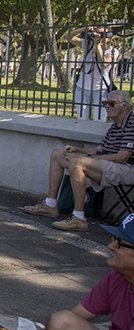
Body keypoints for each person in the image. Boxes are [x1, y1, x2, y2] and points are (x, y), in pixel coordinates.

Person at [21, 90, 134, 232]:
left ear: (125, 106)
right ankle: (50, 205)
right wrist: (78, 150)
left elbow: (122, 157)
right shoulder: (115, 125)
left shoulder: (131, 124)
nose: (107, 106)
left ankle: (79, 218)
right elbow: (99, 150)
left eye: (112, 103)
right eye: (105, 103)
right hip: (109, 164)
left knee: (77, 162)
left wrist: (87, 159)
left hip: (127, 168)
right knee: (57, 154)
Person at [71, 26, 115, 121]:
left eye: (103, 35)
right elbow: (68, 37)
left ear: (110, 36)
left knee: (100, 119)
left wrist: (97, 45)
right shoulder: (88, 45)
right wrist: (83, 29)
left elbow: (104, 63)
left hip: (101, 89)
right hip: (82, 87)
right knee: (82, 119)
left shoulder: (112, 51)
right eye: (97, 34)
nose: (100, 37)